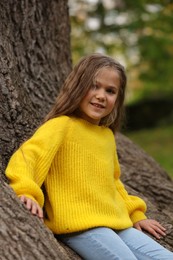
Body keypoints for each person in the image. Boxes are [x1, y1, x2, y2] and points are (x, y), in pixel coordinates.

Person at [5, 53, 173, 260]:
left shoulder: (106, 136)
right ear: (77, 88)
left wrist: (135, 214)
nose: (101, 95)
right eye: (94, 86)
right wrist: (26, 191)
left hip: (116, 223)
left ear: (117, 100)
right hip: (81, 227)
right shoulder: (61, 126)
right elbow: (28, 158)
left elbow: (113, 183)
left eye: (110, 91)